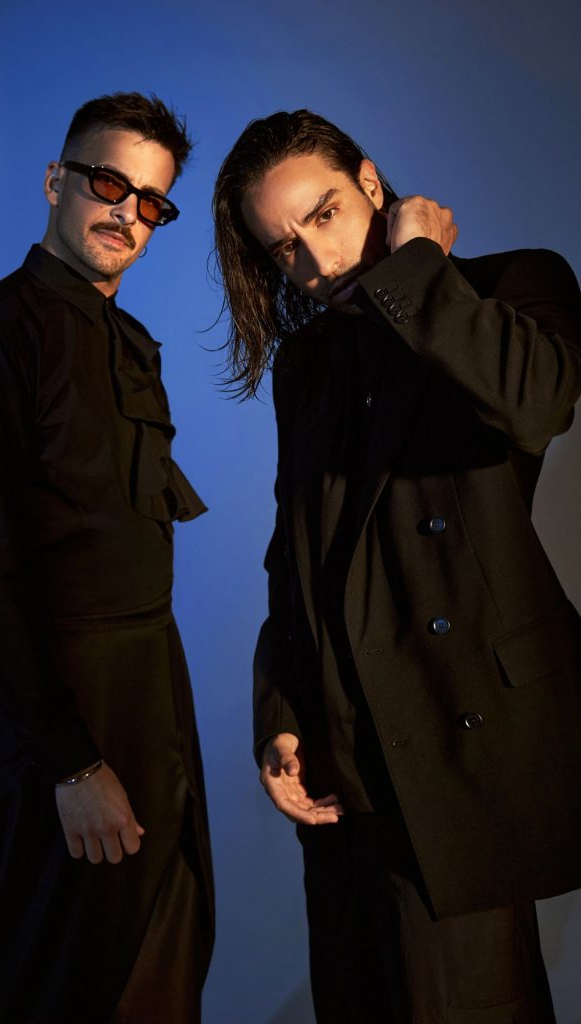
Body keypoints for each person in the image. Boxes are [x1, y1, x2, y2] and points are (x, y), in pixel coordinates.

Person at [212, 109, 581, 1021]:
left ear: (372, 185)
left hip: (459, 741)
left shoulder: (509, 284)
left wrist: (416, 267)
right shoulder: (309, 362)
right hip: (345, 753)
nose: (317, 261)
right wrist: (280, 713)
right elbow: (295, 550)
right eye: (285, 247)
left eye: (326, 214)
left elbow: (538, 404)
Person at [0, 92, 213, 1024]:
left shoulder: (130, 340)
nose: (129, 214)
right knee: (52, 980)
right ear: (57, 180)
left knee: (165, 957)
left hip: (156, 689)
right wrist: (72, 764)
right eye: (109, 184)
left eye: (152, 201)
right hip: (58, 714)